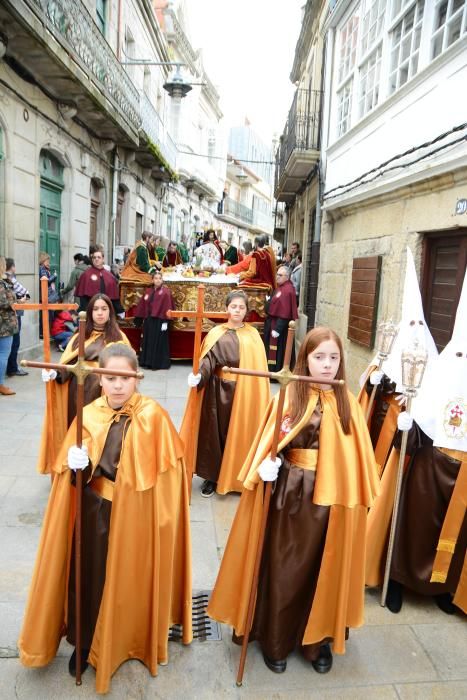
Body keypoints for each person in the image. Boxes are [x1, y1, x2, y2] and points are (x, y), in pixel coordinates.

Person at [18, 343, 192, 694]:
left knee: (131, 579)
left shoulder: (153, 416)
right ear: (99, 379)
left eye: (125, 378)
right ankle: (85, 641)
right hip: (96, 512)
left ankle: (132, 638)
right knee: (90, 577)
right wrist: (76, 466)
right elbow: (70, 470)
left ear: (137, 378)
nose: (117, 385)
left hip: (139, 518)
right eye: (110, 378)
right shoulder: (90, 413)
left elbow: (171, 475)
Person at [207, 327, 379, 674]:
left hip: (331, 507)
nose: (327, 365)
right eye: (319, 357)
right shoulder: (289, 398)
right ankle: (276, 640)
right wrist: (270, 464)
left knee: (323, 570)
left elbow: (355, 459)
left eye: (334, 358)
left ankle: (317, 642)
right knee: (285, 568)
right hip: (291, 497)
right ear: (306, 359)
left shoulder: (348, 405)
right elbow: (270, 441)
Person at [366, 268, 467, 615]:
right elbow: (416, 421)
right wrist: (410, 425)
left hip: (462, 474)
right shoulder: (437, 372)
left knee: (453, 534)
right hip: (428, 468)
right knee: (413, 526)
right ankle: (397, 580)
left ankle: (442, 585)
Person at [180, 290, 270, 497]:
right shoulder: (216, 333)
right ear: (227, 308)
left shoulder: (253, 336)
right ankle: (212, 477)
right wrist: (199, 376)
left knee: (237, 433)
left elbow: (258, 369)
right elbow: (208, 360)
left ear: (247, 311)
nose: (237, 310)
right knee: (214, 434)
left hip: (243, 393)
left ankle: (236, 475)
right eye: (234, 306)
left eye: (241, 307)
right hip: (216, 391)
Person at [38, 294, 131, 474]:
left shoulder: (119, 337)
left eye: (104, 309)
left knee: (103, 431)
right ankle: (76, 468)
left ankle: (102, 467)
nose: (100, 313)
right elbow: (68, 365)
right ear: (89, 312)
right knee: (78, 428)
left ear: (110, 312)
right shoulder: (80, 336)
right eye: (95, 309)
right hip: (78, 392)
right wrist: (54, 373)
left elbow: (127, 370)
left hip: (105, 394)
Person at [134, 271, 174, 370]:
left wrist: (166, 322)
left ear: (162, 280)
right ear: (152, 280)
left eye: (159, 278)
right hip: (149, 320)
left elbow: (168, 306)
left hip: (160, 321)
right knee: (148, 341)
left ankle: (157, 363)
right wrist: (139, 317)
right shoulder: (148, 291)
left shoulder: (166, 292)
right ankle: (147, 362)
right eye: (155, 278)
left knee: (158, 342)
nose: (157, 280)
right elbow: (142, 305)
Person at [263, 265, 298, 371]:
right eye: (277, 274)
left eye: (280, 275)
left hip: (278, 328)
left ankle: (276, 371)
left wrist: (277, 329)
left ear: (287, 277)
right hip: (273, 323)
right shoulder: (281, 287)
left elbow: (285, 313)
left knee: (278, 352)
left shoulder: (287, 291)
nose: (277, 277)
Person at [75, 249, 124, 315]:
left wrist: (119, 311)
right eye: (94, 257)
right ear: (92, 259)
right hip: (91, 310)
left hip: (106, 310)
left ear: (103, 259)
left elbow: (114, 297)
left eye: (99, 257)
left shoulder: (110, 276)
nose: (96, 259)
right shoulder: (86, 275)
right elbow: (83, 298)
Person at [5, 258, 30, 378]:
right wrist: (22, 299)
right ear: (12, 267)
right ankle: (12, 369)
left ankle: (9, 368)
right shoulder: (10, 279)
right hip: (13, 316)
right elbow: (26, 293)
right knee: (15, 342)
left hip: (6, 317)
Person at [0, 256, 19, 396]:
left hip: (6, 323)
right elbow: (3, 302)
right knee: (3, 355)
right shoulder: (1, 283)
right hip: (4, 324)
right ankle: (0, 384)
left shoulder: (5, 281)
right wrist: (14, 304)